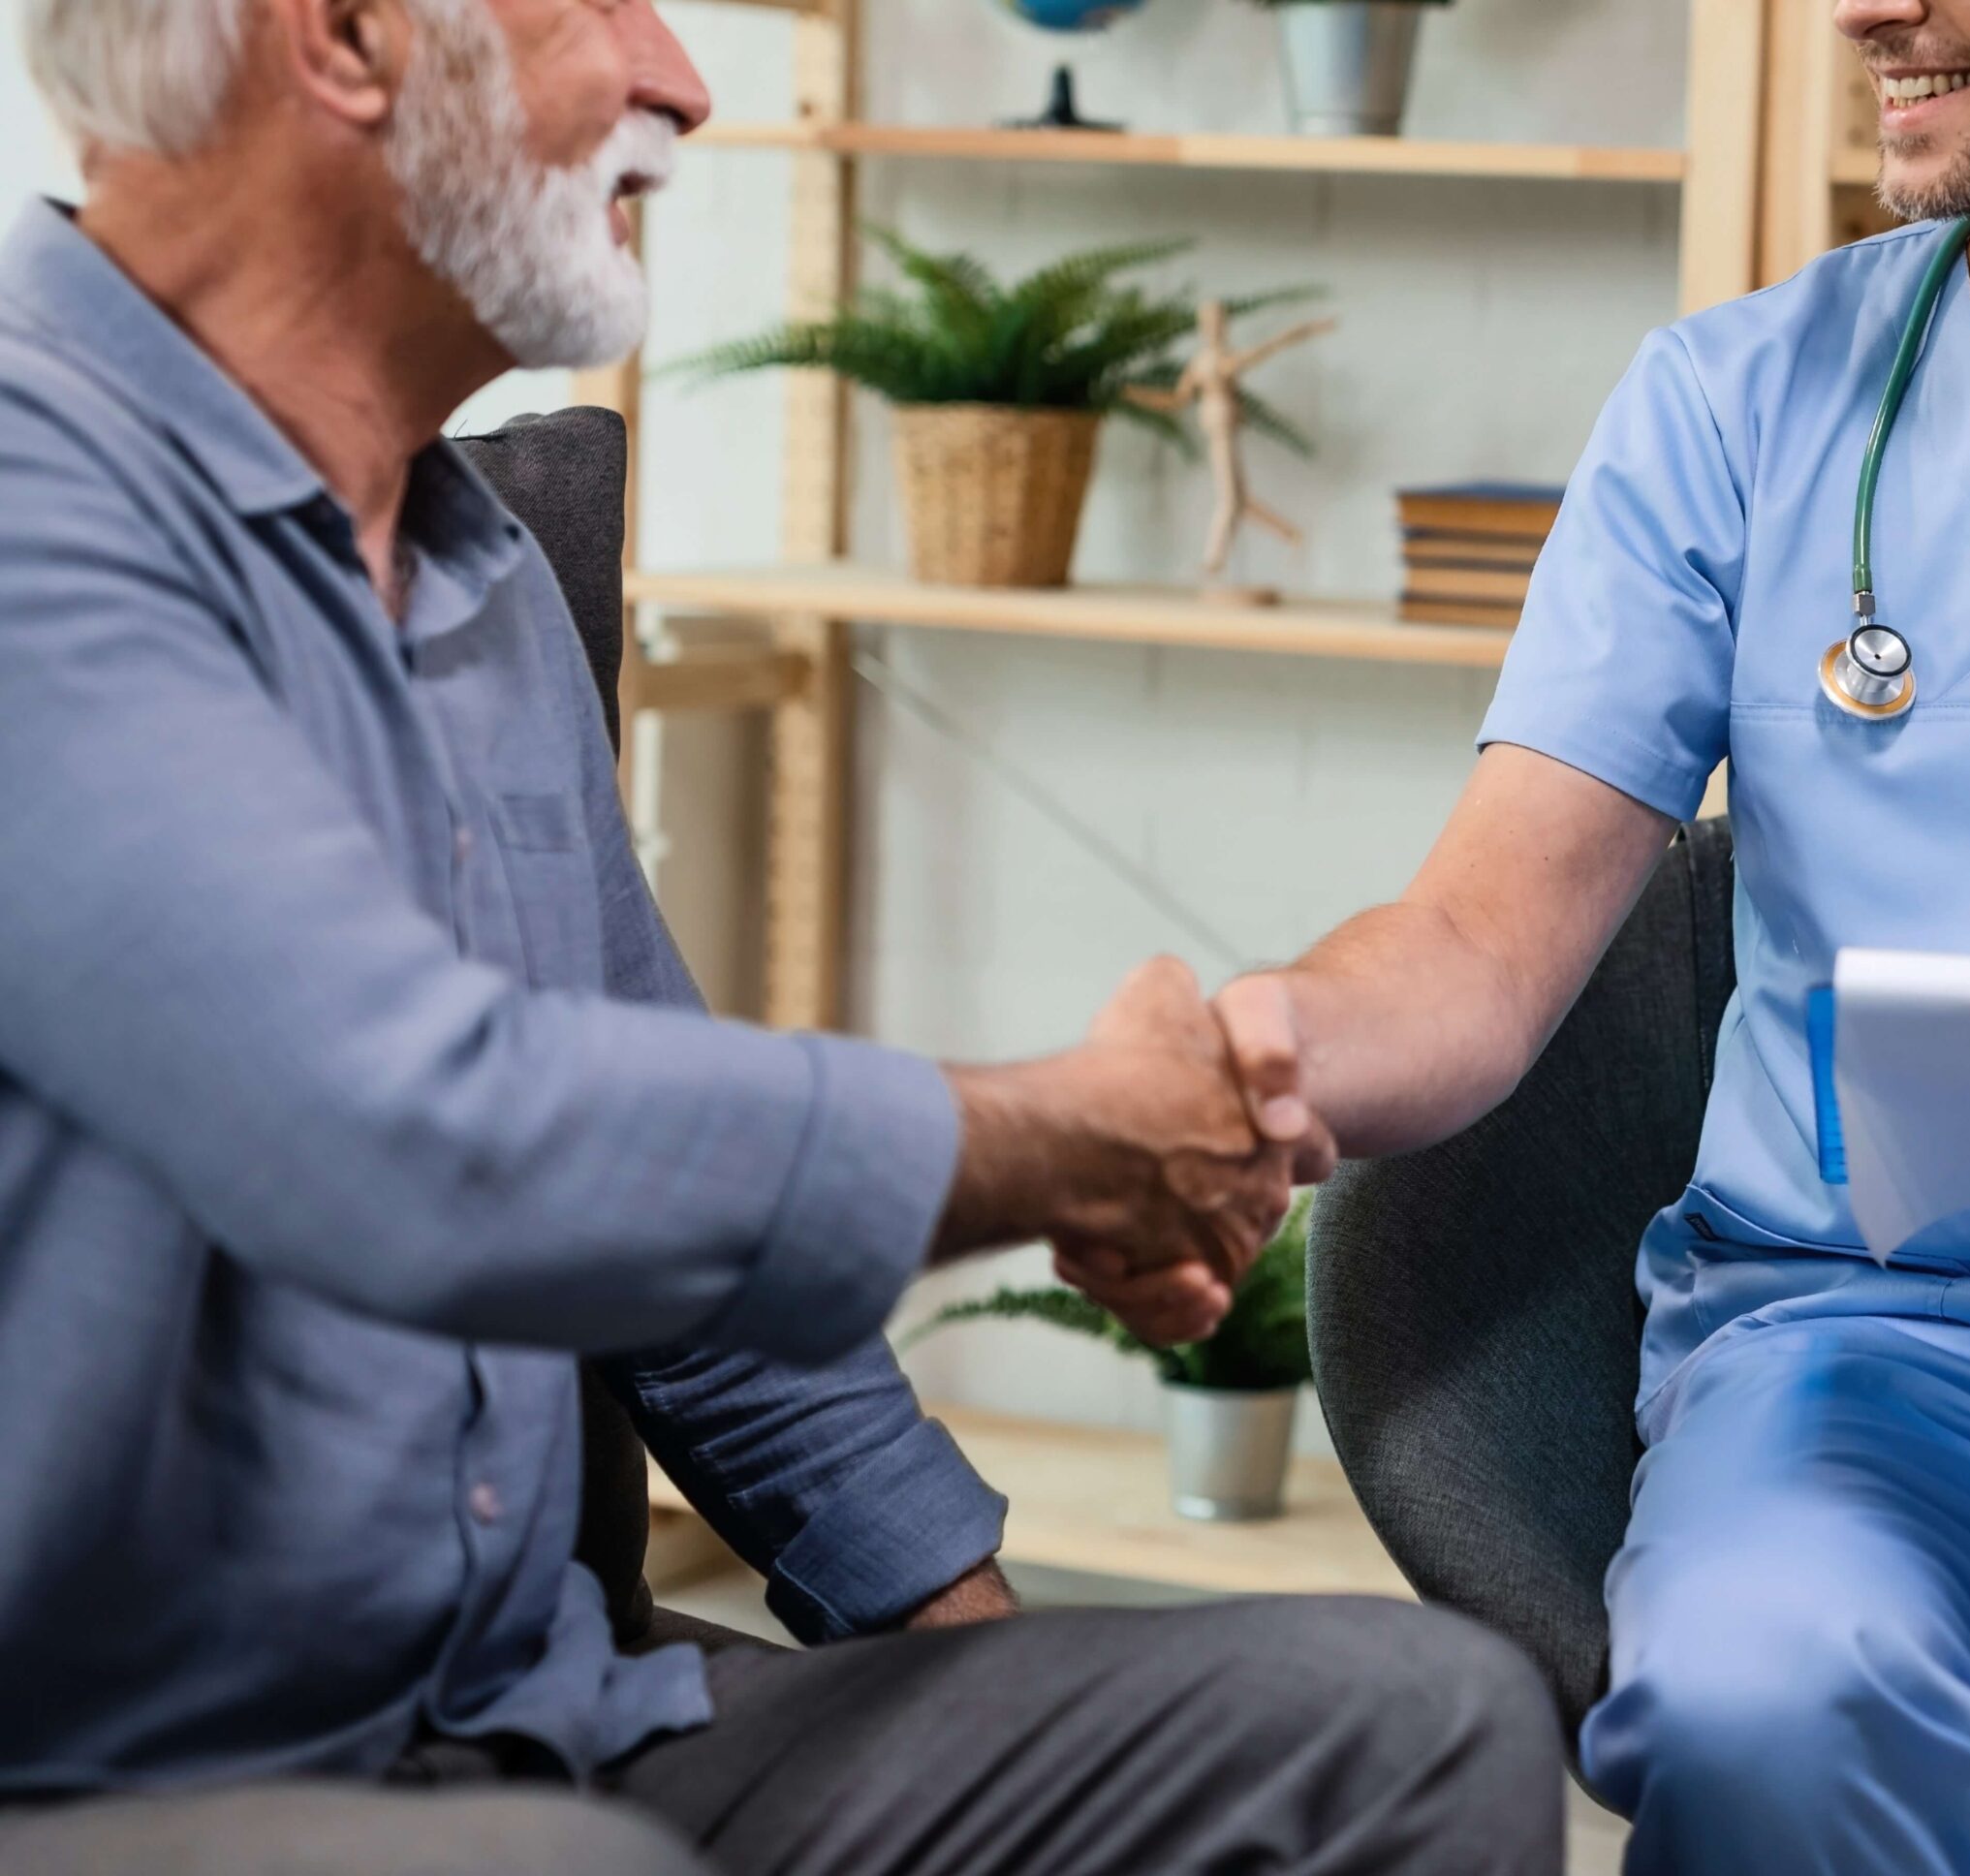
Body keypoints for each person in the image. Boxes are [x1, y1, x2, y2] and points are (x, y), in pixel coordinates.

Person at [0, 2, 1566, 1871]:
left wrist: (988, 1689)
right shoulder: (41, 516)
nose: (682, 79)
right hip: (119, 1774)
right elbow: (440, 1137)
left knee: (1399, 1732)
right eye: (598, 7)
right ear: (343, 36)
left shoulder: (474, 575)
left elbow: (676, 1204)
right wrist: (1067, 1135)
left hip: (545, 1724)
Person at [1079, 0, 1970, 1868]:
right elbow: (1475, 949)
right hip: (1871, 1348)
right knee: (1763, 1712)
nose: (1861, 8)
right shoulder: (1735, 402)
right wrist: (1263, 1049)